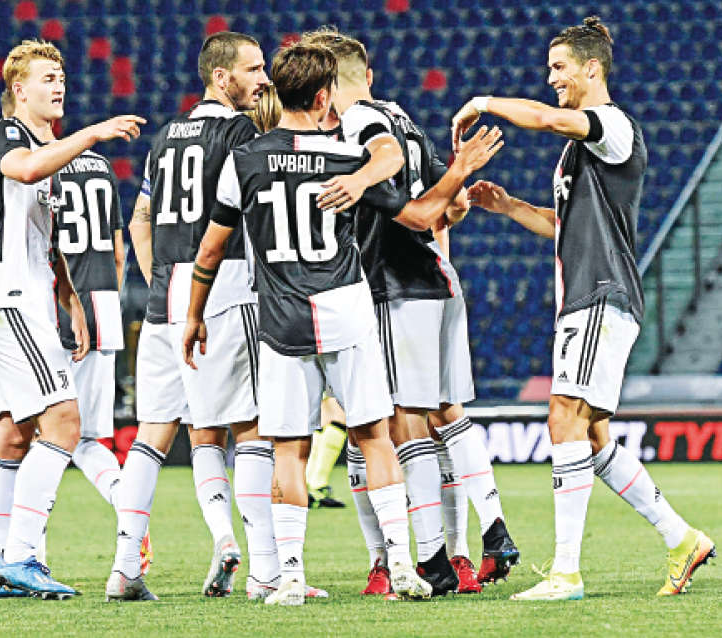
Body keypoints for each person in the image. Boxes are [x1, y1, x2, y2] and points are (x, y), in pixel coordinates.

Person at [182, 42, 502, 605]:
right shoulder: (347, 157)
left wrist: (192, 315)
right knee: (374, 437)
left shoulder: (246, 159)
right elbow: (421, 214)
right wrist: (456, 171)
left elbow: (210, 250)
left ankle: (290, 576)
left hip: (281, 321)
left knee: (289, 450)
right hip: (347, 311)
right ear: (324, 97)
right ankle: (401, 564)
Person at [452, 16, 715, 600]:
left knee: (563, 417)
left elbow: (546, 119)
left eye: (559, 67)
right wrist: (510, 206)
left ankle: (566, 572)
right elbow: (566, 225)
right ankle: (682, 539)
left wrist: (485, 102)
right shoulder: (581, 152)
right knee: (591, 435)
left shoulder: (612, 126)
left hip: (600, 292)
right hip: (585, 295)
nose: (551, 79)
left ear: (591, 68)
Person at [305, 27, 516, 596]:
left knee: (389, 424)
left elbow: (417, 206)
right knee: (445, 414)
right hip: (438, 278)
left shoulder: (358, 125)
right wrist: (455, 182)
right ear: (368, 75)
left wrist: (371, 181)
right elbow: (448, 210)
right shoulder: (405, 118)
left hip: (391, 286)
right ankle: (480, 536)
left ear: (326, 88)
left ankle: (427, 559)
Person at [108, 31, 292, 602]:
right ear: (220, 76)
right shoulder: (241, 134)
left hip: (166, 297)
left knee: (153, 434)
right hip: (222, 290)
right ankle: (267, 570)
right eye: (254, 69)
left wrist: (161, 278)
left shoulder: (165, 138)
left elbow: (139, 220)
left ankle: (124, 568)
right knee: (250, 426)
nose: (264, 79)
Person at [0, 39, 144, 599]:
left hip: (24, 302)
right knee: (66, 423)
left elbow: (47, 243)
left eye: (62, 76)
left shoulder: (51, 156)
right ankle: (21, 556)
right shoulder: (6, 136)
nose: (59, 85)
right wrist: (91, 134)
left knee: (10, 435)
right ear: (19, 89)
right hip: (10, 298)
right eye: (47, 77)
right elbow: (23, 171)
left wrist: (71, 301)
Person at [0, 90, 154, 578]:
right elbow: (117, 248)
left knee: (39, 439)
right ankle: (129, 510)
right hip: (104, 304)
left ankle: (28, 554)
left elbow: (44, 244)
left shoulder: (46, 165)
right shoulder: (102, 167)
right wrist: (107, 295)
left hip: (57, 307)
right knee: (87, 440)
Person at [247, 87, 346, 510]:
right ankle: (313, 486)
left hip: (269, 307)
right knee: (355, 422)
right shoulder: (329, 159)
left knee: (282, 436)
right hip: (315, 303)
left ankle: (276, 547)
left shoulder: (248, 164)